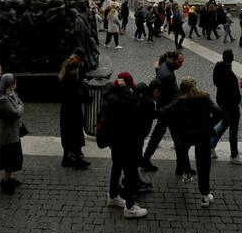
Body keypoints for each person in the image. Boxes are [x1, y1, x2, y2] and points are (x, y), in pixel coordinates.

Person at [159, 76, 222, 208]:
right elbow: (218, 113)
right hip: (203, 135)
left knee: (182, 151)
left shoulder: (179, 101)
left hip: (186, 134)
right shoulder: (204, 97)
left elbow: (165, 111)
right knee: (204, 165)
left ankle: (187, 172)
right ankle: (205, 196)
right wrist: (208, 125)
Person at [101, 72, 147, 219]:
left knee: (117, 167)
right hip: (125, 141)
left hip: (115, 141)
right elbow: (132, 106)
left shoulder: (111, 95)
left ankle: (113, 196)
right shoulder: (122, 99)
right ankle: (130, 207)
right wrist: (127, 91)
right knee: (130, 173)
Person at [141, 50, 183, 171]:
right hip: (168, 110)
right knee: (176, 137)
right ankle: (180, 165)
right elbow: (168, 95)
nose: (181, 65)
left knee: (158, 135)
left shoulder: (164, 66)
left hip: (164, 108)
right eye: (180, 62)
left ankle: (146, 159)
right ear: (173, 60)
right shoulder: (167, 74)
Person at [58, 49, 90, 169]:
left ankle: (66, 158)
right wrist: (84, 86)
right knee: (76, 134)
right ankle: (77, 160)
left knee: (67, 134)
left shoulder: (64, 75)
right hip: (73, 111)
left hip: (65, 110)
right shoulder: (71, 82)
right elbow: (79, 97)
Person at [209, 49, 242, 164]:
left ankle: (211, 145)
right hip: (231, 105)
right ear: (232, 58)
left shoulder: (218, 68)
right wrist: (238, 102)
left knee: (224, 123)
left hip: (221, 102)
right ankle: (234, 155)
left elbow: (217, 84)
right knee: (233, 130)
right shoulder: (230, 74)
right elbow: (235, 93)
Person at [0, 73, 25, 194]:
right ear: (10, 83)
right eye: (14, 81)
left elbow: (19, 106)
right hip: (7, 134)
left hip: (13, 132)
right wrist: (20, 107)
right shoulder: (3, 99)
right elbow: (16, 112)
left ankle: (9, 178)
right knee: (9, 158)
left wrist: (19, 107)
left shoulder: (12, 94)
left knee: (14, 157)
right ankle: (5, 181)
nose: (16, 83)